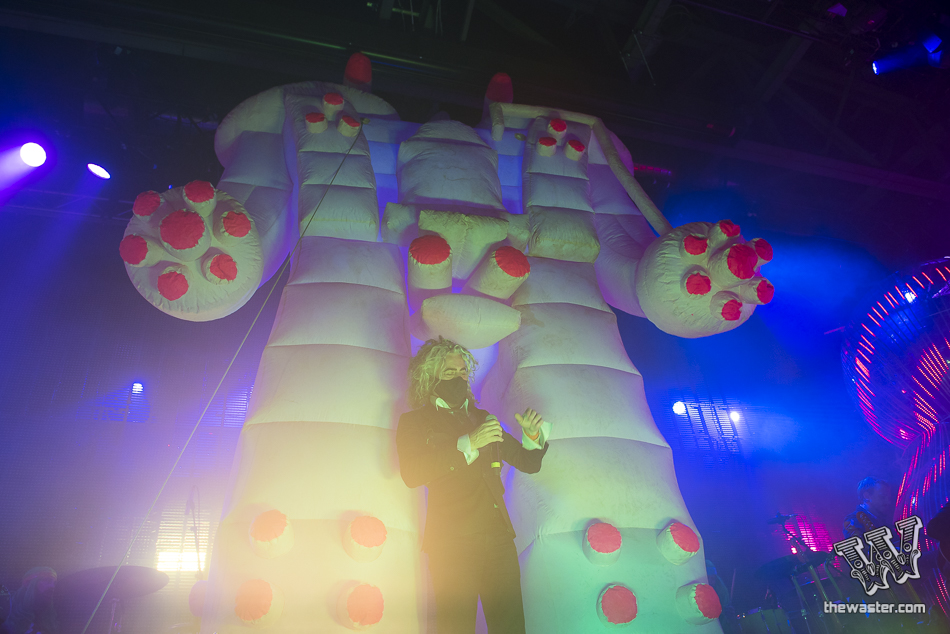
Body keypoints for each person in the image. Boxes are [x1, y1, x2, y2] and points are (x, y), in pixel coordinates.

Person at [396, 338, 550, 634]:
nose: (459, 377)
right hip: (450, 544)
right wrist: (468, 443)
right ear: (429, 377)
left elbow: (528, 462)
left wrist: (533, 437)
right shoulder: (413, 422)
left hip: (498, 541)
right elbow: (412, 475)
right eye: (449, 372)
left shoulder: (484, 418)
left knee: (510, 628)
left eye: (463, 371)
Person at [1, 567, 58, 634]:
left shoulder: (50, 614)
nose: (52, 586)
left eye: (54, 583)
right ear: (30, 583)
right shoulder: (6, 605)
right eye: (47, 580)